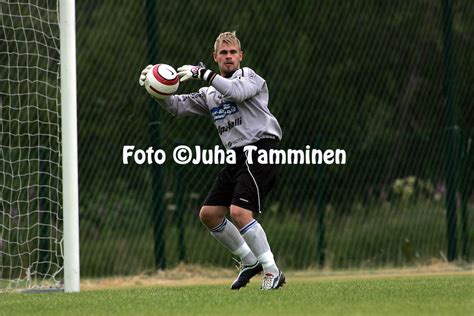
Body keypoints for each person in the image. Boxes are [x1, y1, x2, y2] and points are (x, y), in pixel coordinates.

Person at [138, 31, 285, 290]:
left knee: (239, 212)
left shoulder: (250, 77)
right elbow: (177, 106)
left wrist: (203, 74)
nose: (228, 57)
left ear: (240, 56)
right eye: (223, 53)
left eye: (233, 53)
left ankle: (272, 271)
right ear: (215, 57)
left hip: (261, 149)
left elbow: (236, 93)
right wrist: (154, 89)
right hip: (235, 156)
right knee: (210, 214)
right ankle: (250, 260)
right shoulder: (210, 93)